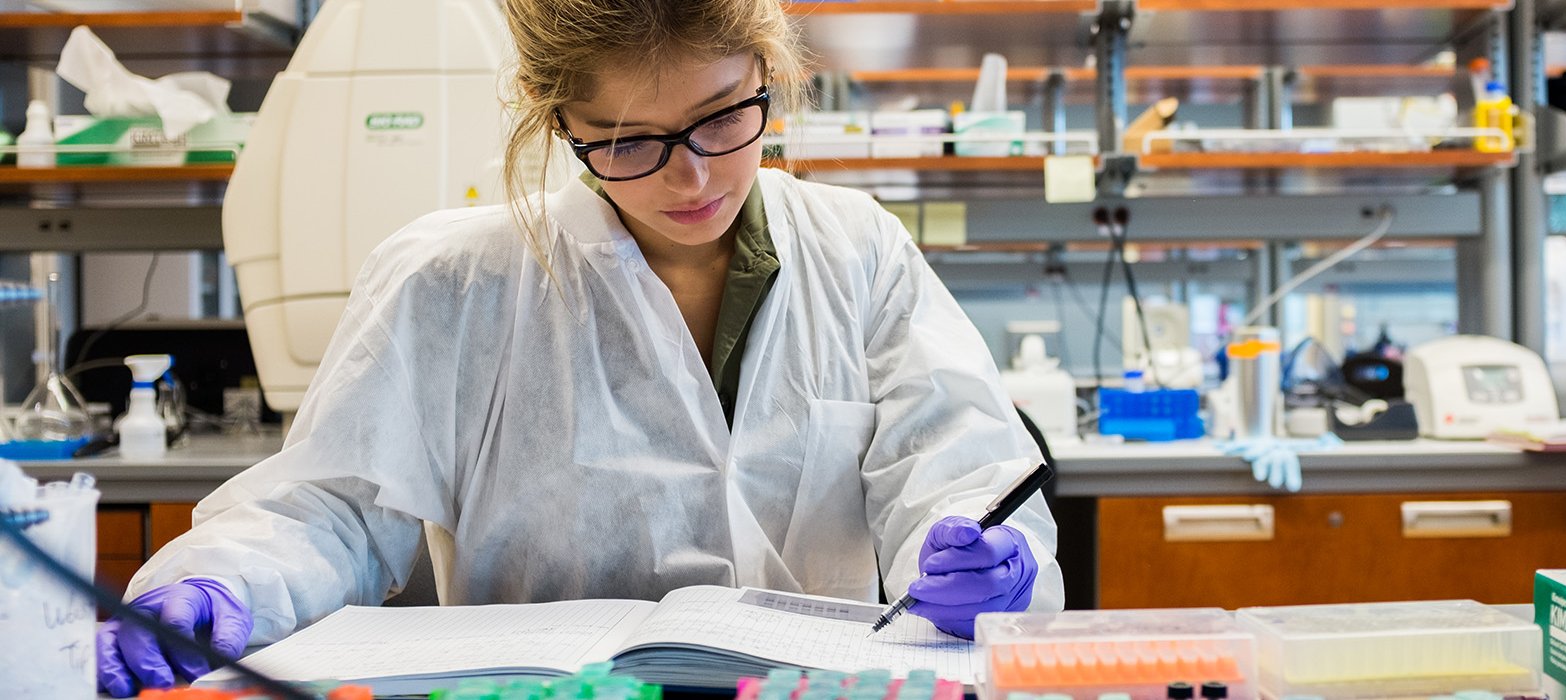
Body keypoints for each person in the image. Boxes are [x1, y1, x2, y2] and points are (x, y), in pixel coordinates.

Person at [94, 1, 1062, 695]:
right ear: (556, 120)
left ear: (768, 72)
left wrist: (993, 551)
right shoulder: (454, 277)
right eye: (629, 140)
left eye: (725, 116)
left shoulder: (856, 248)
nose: (691, 176)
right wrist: (223, 580)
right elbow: (333, 509)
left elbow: (955, 465)